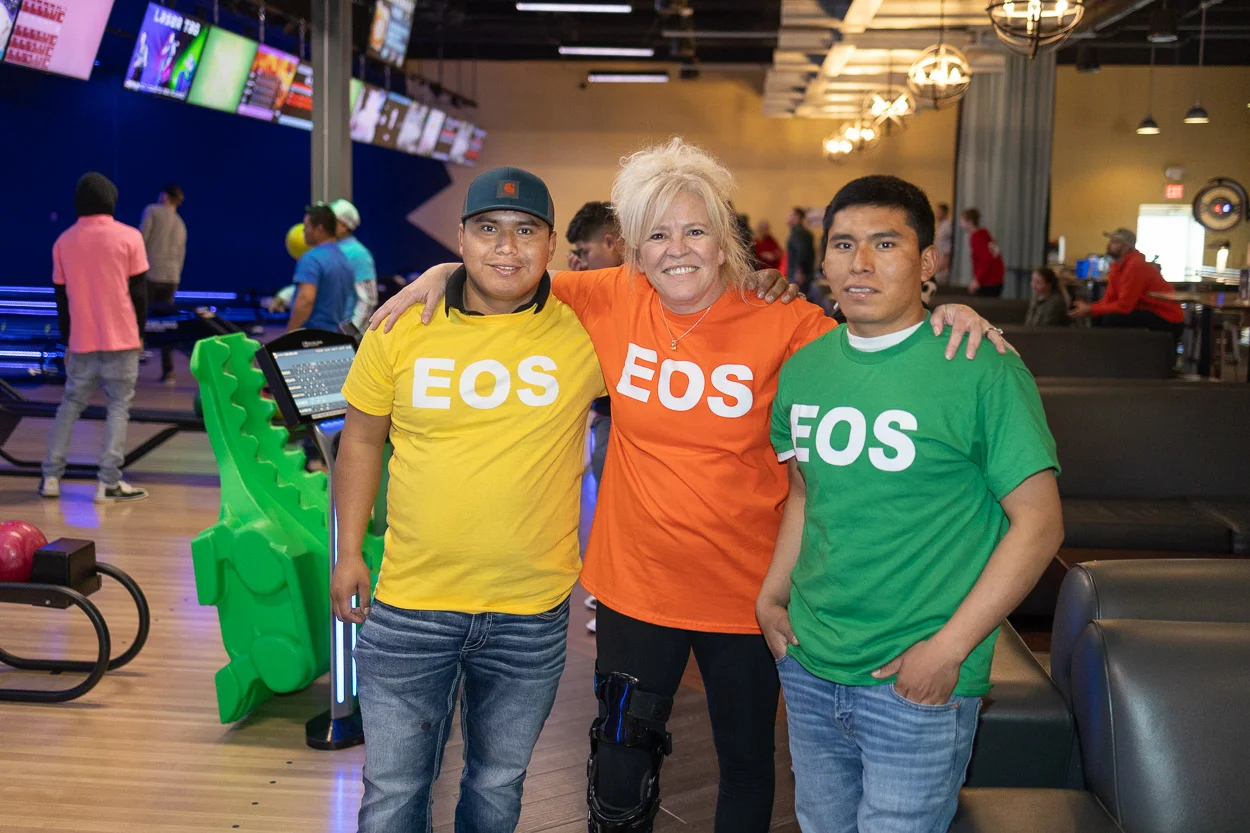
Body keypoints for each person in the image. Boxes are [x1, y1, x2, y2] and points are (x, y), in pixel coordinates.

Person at [370, 138, 1006, 833]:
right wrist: (440, 271)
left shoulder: (787, 320)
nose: (677, 249)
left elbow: (874, 345)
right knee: (619, 764)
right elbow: (507, 272)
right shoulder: (609, 296)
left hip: (747, 593)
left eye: (696, 231)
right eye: (657, 234)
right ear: (634, 250)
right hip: (636, 586)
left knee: (746, 764)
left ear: (725, 238)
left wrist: (947, 316)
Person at [758, 174, 1063, 833]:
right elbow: (805, 493)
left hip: (916, 676)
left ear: (928, 262)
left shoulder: (981, 365)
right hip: (809, 661)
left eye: (885, 243)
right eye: (844, 244)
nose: (860, 263)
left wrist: (949, 649)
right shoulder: (805, 369)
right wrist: (771, 596)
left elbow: (1039, 523)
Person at [332, 167, 607, 833]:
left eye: (525, 231)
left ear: (550, 245)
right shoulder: (401, 326)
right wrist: (348, 553)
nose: (506, 247)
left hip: (529, 614)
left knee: (497, 786)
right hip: (411, 605)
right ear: (460, 238)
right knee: (393, 791)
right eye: (488, 229)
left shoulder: (588, 329)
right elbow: (361, 440)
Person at [41, 173, 151, 503]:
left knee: (70, 405)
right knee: (118, 407)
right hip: (122, 339)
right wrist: (140, 334)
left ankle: (50, 478)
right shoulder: (130, 237)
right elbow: (139, 295)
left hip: (82, 340)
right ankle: (108, 483)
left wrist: (67, 341)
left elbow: (61, 300)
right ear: (110, 201)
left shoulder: (63, 241)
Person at [566, 200, 628, 633]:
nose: (580, 260)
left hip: (627, 421)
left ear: (611, 242)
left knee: (621, 513)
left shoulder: (642, 288)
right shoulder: (597, 288)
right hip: (608, 416)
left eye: (586, 252)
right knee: (610, 509)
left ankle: (616, 599)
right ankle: (611, 592)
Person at [1069, 228, 1183, 337]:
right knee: (1099, 316)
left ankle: (1114, 350)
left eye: (1115, 242)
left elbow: (1124, 306)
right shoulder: (1116, 266)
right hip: (1146, 311)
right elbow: (1109, 299)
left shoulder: (1136, 266)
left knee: (1113, 318)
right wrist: (1090, 308)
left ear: (1126, 247)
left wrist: (1090, 309)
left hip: (1166, 317)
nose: (1109, 244)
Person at [140, 184, 187, 383]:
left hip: (150, 274)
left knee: (139, 319)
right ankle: (169, 371)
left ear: (164, 196)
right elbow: (181, 256)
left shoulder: (152, 210)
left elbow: (141, 240)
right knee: (167, 324)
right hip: (171, 278)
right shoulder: (180, 223)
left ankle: (132, 362)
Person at [287, 203, 355, 333]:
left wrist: (291, 332)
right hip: (336, 336)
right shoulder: (345, 260)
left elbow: (305, 299)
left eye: (306, 226)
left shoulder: (311, 258)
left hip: (310, 337)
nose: (303, 231)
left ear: (319, 229)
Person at [329, 198, 379, 332]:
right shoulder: (327, 250)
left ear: (344, 226)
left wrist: (352, 335)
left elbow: (368, 300)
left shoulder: (358, 254)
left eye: (331, 220)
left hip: (343, 335)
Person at [961, 208, 1005, 297]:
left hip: (989, 281)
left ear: (970, 222)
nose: (960, 224)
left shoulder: (977, 237)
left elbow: (986, 260)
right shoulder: (984, 233)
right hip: (996, 278)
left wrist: (977, 280)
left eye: (962, 221)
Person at [786, 206, 816, 294]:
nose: (788, 217)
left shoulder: (798, 233)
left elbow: (802, 251)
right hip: (803, 273)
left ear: (797, 217)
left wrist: (799, 271)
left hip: (798, 275)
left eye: (791, 215)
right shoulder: (804, 232)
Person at [934, 202, 954, 286]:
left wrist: (941, 265)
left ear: (944, 213)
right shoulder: (941, 226)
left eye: (938, 212)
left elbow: (947, 248)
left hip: (944, 264)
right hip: (939, 261)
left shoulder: (948, 226)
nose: (936, 214)